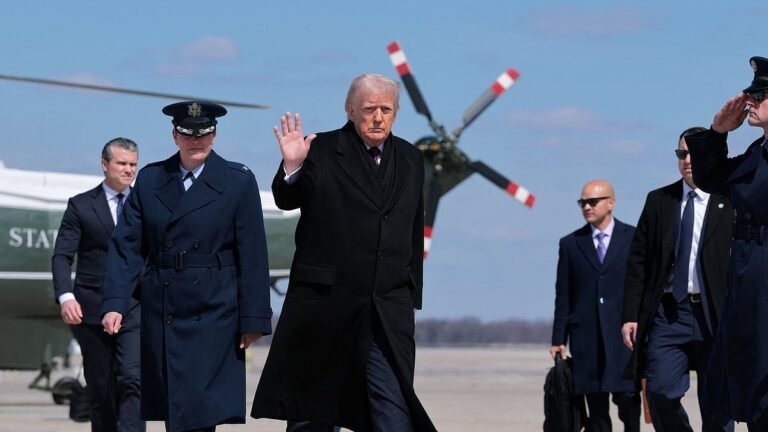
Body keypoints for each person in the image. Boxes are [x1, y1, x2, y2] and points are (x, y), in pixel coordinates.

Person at [251, 73, 437, 432]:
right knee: (313, 416)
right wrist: (292, 167)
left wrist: (410, 295)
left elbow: (412, 230)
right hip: (326, 308)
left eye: (386, 109)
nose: (378, 117)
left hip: (386, 312)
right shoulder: (321, 149)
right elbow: (287, 199)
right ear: (350, 110)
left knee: (394, 414)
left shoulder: (411, 159)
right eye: (369, 109)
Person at [100, 101, 272, 432]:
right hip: (164, 307)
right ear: (175, 136)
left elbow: (253, 254)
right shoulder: (151, 179)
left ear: (214, 135)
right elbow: (127, 246)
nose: (197, 141)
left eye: (204, 134)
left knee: (200, 409)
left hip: (215, 310)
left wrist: (253, 319)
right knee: (176, 407)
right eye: (188, 134)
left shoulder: (238, 180)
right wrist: (115, 301)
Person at [621, 127, 734, 432]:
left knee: (718, 402)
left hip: (716, 314)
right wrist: (630, 315)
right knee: (659, 391)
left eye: (693, 153)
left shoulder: (730, 199)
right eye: (681, 153)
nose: (687, 160)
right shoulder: (659, 200)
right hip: (669, 314)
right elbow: (638, 261)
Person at [686, 55, 768, 430]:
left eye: (760, 95)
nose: (749, 101)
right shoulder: (756, 153)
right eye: (750, 94)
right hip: (747, 279)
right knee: (750, 379)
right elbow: (712, 179)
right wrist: (717, 133)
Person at [52, 137, 144, 432]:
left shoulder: (146, 204)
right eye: (122, 163)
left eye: (133, 164)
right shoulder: (80, 206)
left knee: (132, 379)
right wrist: (66, 296)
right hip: (91, 307)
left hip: (135, 305)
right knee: (101, 387)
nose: (129, 170)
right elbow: (62, 256)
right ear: (105, 165)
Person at [550, 180, 640, 432]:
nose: (587, 207)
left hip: (624, 338)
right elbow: (563, 295)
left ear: (611, 203)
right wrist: (558, 338)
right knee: (596, 411)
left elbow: (643, 286)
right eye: (582, 203)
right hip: (586, 339)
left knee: (628, 402)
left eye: (593, 201)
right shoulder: (570, 244)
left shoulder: (633, 237)